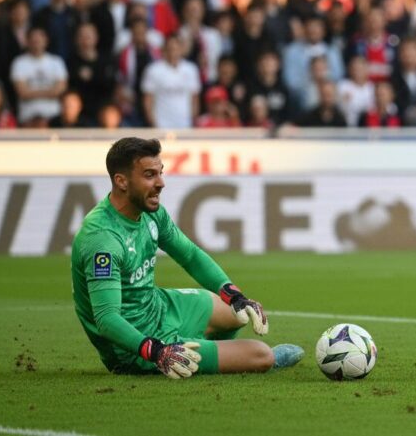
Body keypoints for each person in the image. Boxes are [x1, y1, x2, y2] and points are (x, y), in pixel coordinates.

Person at [72, 137, 303, 378]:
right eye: (150, 175)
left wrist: (233, 294)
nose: (161, 183)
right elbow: (107, 319)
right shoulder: (103, 239)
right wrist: (156, 350)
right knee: (262, 355)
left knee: (236, 313)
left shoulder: (151, 213)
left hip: (158, 307)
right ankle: (193, 353)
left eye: (161, 173)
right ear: (121, 181)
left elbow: (190, 256)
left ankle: (198, 348)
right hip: (134, 346)